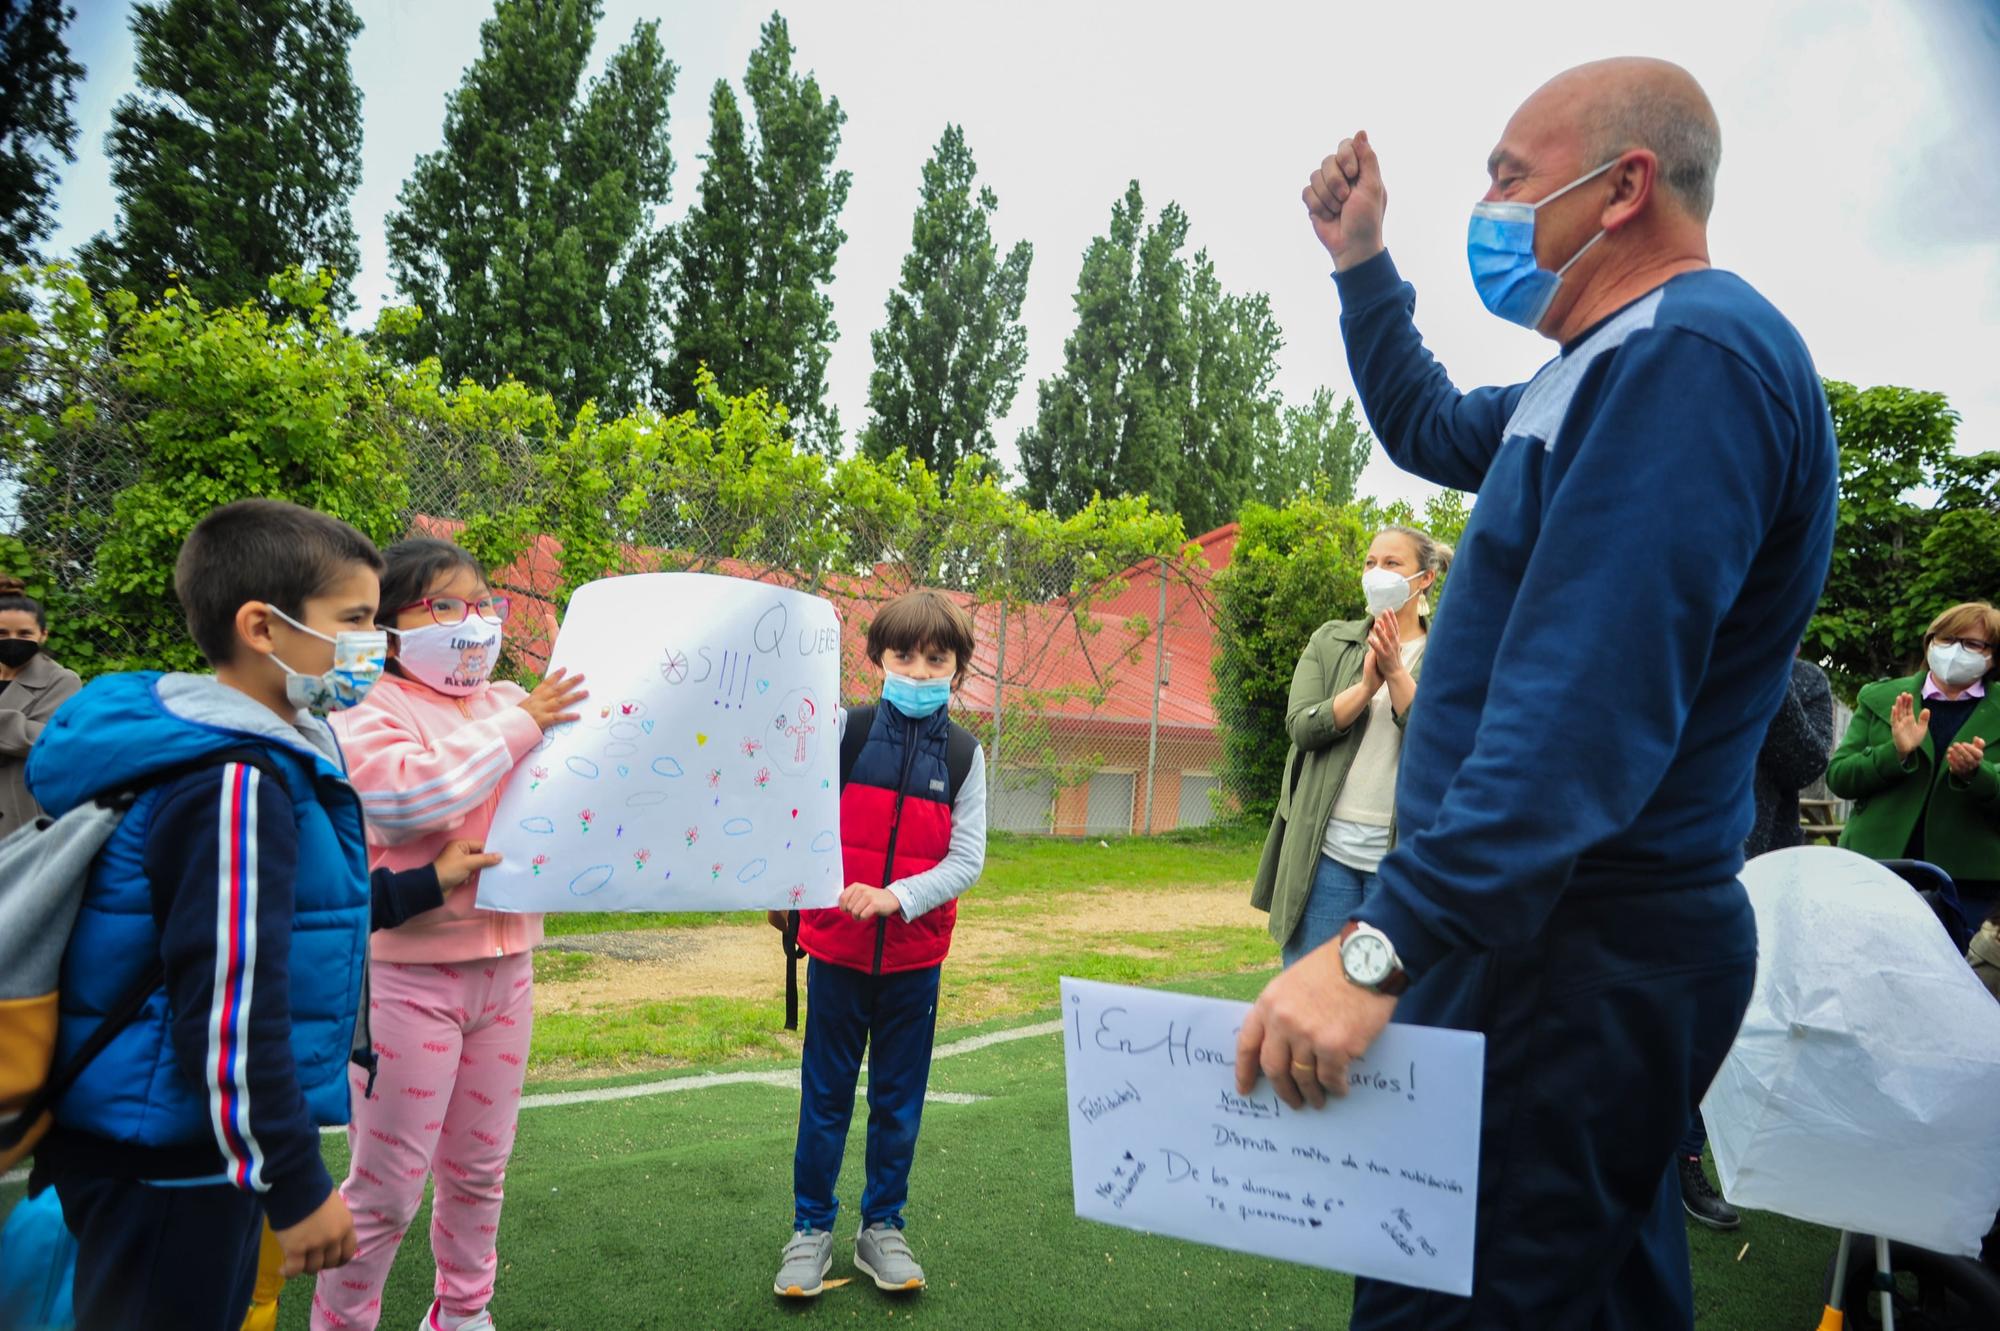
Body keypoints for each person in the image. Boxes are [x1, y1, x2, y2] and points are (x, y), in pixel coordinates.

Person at [1234, 58, 1838, 1328]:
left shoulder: (1690, 357)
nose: (1491, 205)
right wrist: (1359, 261)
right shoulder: (1598, 363)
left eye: (1509, 176)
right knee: (1584, 1291)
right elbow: (1426, 419)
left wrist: (1377, 941)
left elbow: (1580, 710)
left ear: (1620, 188)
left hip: (1572, 945)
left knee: (1459, 1294)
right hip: (1556, 944)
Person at [23, 499, 386, 1329]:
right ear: (262, 625)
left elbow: (298, 918)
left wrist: (424, 887)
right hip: (168, 1160)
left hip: (175, 1145)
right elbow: (226, 1001)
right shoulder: (234, 780)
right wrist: (292, 1180)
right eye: (357, 619)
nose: (376, 645)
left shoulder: (265, 752)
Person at [311, 538, 586, 1331]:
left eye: (481, 604)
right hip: (406, 981)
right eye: (443, 606)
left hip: (507, 974)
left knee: (480, 1169)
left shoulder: (508, 698)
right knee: (387, 1182)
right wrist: (517, 728)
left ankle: (462, 1312)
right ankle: (342, 1322)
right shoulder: (367, 709)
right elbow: (404, 802)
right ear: (389, 627)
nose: (472, 624)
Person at [769, 589, 987, 1300]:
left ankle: (881, 1228)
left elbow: (967, 859)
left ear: (957, 671)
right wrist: (785, 889)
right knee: (825, 1098)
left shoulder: (964, 754)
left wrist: (899, 896)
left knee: (898, 1102)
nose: (919, 671)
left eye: (936, 658)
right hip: (835, 954)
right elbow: (793, 809)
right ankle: (809, 1229)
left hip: (914, 964)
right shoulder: (843, 731)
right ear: (876, 659)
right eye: (904, 654)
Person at [1678, 651, 1833, 1230]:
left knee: (1724, 1023)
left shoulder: (1807, 681)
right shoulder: (1700, 651)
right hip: (1678, 857)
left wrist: (1767, 667)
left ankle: (1687, 1158)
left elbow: (1806, 762)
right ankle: (1642, 1145)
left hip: (1759, 868)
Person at [1251, 526, 1450, 966]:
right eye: (1370, 563)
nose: (1377, 573)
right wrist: (1364, 689)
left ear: (1425, 579)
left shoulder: (1449, 655)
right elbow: (1301, 727)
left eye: (1392, 564)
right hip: (1324, 856)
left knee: (1390, 1007)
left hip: (1400, 861)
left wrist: (1397, 673)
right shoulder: (1331, 640)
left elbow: (1443, 747)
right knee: (1310, 1002)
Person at [1827, 601, 1999, 923]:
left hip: (1970, 886)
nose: (1955, 651)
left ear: (1991, 657)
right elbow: (1839, 777)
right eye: (1945, 639)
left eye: (1971, 644)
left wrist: (1979, 774)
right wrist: (1895, 753)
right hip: (1877, 871)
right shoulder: (1880, 697)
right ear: (1930, 642)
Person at [0, 575, 81, 837]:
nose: (13, 640)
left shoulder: (62, 681)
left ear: (43, 635)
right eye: (2, 633)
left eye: (24, 633)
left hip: (21, 817)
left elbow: (49, 740)